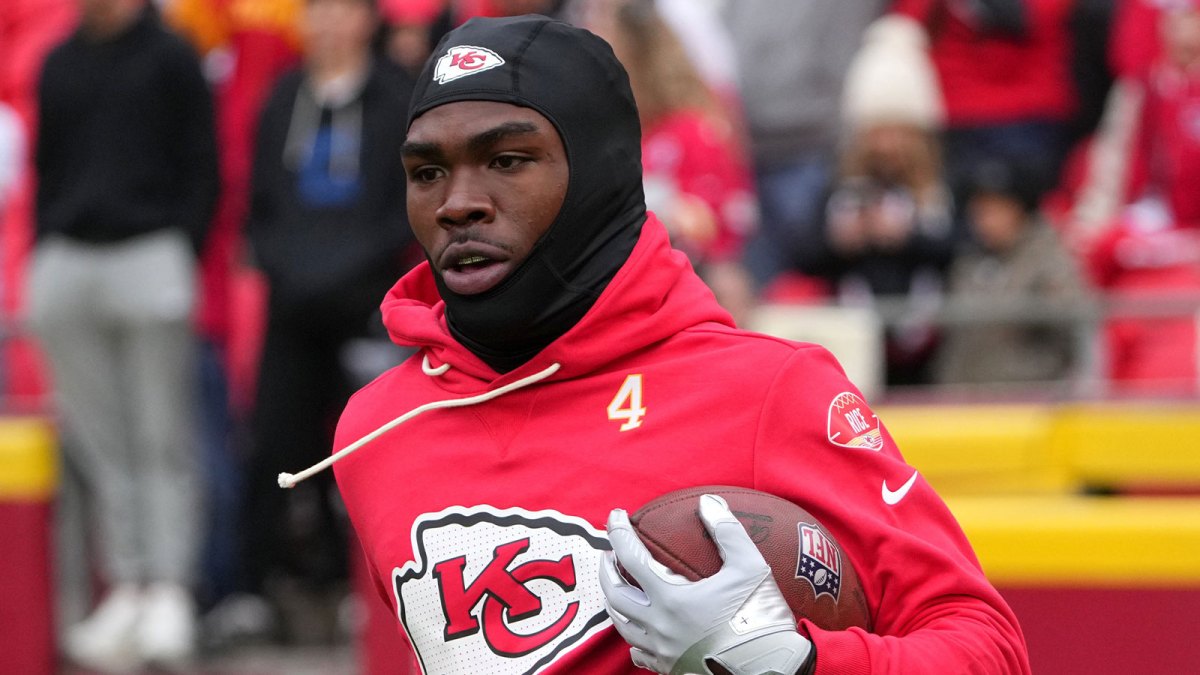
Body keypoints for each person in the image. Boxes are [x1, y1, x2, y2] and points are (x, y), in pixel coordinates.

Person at [279, 15, 1030, 674]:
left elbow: (989, 648)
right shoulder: (375, 430)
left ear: (601, 175)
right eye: (426, 171)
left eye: (507, 159)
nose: (458, 202)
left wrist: (793, 664)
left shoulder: (770, 392)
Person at [29, 0, 219, 669]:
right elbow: (48, 166)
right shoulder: (57, 61)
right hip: (69, 258)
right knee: (99, 440)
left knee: (160, 434)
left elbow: (202, 162)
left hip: (149, 251)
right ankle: (129, 586)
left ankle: (169, 588)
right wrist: (45, 247)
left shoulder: (171, 54)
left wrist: (178, 247)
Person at [238, 0, 416, 644]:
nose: (329, 26)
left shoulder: (397, 97)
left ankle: (368, 586)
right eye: (317, 12)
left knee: (367, 448)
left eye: (342, 11)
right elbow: (258, 200)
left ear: (368, 21)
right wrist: (287, 266)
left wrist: (352, 270)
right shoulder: (284, 96)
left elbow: (407, 201)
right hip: (292, 306)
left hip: (367, 304)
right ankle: (268, 585)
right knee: (275, 443)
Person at [934, 159, 1090, 385]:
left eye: (996, 210)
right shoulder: (967, 260)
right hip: (963, 401)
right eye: (979, 211)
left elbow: (1075, 329)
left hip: (1028, 403)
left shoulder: (1050, 258)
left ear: (1021, 210)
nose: (985, 221)